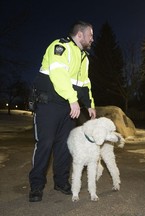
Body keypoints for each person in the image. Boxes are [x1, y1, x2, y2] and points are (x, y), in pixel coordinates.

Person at [29, 21, 96, 202]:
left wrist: (89, 104)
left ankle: (61, 182)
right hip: (48, 105)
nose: (92, 38)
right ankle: (36, 186)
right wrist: (73, 99)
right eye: (90, 35)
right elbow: (59, 75)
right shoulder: (60, 47)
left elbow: (84, 84)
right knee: (45, 144)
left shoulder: (84, 57)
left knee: (64, 147)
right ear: (80, 35)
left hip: (68, 108)